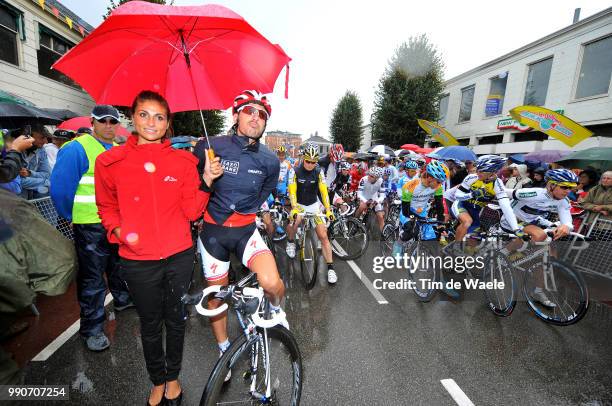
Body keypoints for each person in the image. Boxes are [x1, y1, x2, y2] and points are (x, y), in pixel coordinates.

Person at [95, 91, 221, 406]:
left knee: (176, 320)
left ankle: (174, 377)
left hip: (178, 257)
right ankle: (157, 380)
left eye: (159, 117)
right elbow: (106, 206)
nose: (152, 122)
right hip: (137, 261)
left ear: (168, 124)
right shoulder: (109, 162)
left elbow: (193, 212)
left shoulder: (183, 161)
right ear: (133, 118)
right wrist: (120, 231)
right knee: (150, 323)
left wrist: (206, 179)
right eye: (144, 114)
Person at [192, 90, 285, 379]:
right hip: (213, 233)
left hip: (246, 230)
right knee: (216, 298)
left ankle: (275, 312)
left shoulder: (271, 161)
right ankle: (223, 347)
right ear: (235, 116)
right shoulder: (208, 145)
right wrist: (207, 177)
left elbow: (264, 193)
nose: (256, 117)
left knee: (272, 283)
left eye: (262, 114)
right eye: (249, 111)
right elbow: (193, 191)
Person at [50, 105, 132, 352]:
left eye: (112, 122)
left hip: (116, 223)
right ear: (93, 122)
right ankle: (92, 329)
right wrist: (69, 216)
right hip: (89, 224)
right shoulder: (77, 148)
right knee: (93, 279)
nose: (108, 125)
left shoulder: (119, 150)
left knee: (118, 267)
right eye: (103, 121)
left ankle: (122, 299)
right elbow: (61, 188)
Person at [501, 169, 579, 306]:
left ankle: (537, 290)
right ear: (551, 185)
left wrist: (566, 226)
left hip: (532, 221)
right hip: (512, 220)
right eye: (564, 187)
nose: (568, 191)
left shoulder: (563, 201)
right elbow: (503, 192)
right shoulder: (534, 193)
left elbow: (567, 221)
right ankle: (505, 254)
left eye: (571, 188)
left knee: (547, 258)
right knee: (540, 235)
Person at [285, 143, 337, 282]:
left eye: (313, 162)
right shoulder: (294, 171)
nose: (310, 164)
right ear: (303, 158)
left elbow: (323, 190)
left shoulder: (319, 171)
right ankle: (290, 241)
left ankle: (331, 268)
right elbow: (292, 191)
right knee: (295, 221)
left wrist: (327, 209)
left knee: (323, 236)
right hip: (299, 204)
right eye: (308, 161)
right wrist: (294, 207)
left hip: (313, 205)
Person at [451, 155, 521, 243]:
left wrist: (516, 229)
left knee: (473, 240)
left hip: (476, 212)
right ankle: (456, 247)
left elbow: (506, 208)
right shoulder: (472, 177)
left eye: (482, 171)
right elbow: (457, 195)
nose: (478, 173)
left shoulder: (497, 185)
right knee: (467, 222)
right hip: (461, 204)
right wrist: (472, 194)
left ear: (492, 172)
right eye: (477, 170)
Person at [19, 125, 51, 199]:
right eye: (42, 138)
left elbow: (47, 175)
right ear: (28, 136)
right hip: (12, 199)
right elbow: (16, 181)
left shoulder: (41, 149)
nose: (46, 142)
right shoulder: (12, 150)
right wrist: (45, 183)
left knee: (45, 190)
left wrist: (30, 173)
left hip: (30, 198)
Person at [355, 166, 386, 234]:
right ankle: (354, 221)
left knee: (380, 216)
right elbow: (359, 194)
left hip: (374, 197)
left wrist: (377, 201)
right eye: (369, 174)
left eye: (372, 176)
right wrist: (366, 201)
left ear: (377, 178)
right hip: (364, 197)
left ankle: (384, 235)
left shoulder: (381, 181)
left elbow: (382, 196)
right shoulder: (363, 179)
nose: (369, 176)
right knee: (362, 207)